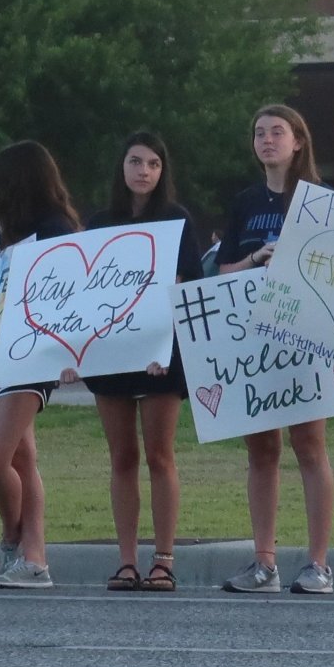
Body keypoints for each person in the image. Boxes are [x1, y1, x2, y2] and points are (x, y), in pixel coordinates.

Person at [215, 104, 334, 596]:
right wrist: (255, 259)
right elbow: (222, 271)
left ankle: (318, 564)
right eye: (260, 132)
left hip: (309, 338)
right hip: (254, 343)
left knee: (310, 446)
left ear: (299, 141)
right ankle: (263, 562)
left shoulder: (322, 199)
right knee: (262, 450)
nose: (268, 140)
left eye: (278, 132)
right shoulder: (244, 201)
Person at [84, 130, 198, 593]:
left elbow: (186, 288)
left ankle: (164, 560)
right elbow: (86, 293)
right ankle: (127, 560)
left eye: (153, 164)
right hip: (111, 353)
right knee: (122, 457)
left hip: (161, 356)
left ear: (162, 171)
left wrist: (161, 348)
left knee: (159, 455)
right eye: (135, 162)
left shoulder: (177, 219)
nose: (144, 171)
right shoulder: (99, 222)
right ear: (122, 167)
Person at [0, 139, 86, 590]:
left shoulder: (55, 229)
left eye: (0, 176)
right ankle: (34, 556)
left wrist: (70, 352)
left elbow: (72, 294)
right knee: (22, 457)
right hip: (2, 354)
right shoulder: (13, 230)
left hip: (35, 357)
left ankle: (13, 537)